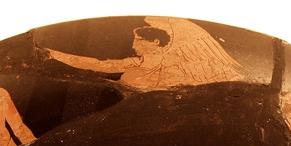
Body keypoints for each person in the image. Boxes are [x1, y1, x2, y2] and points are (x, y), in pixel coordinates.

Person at [46, 16, 246, 91]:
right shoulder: (153, 59)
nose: (134, 46)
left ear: (155, 42)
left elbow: (101, 65)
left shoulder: (152, 60)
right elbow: (101, 66)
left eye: (138, 41)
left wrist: (55, 55)